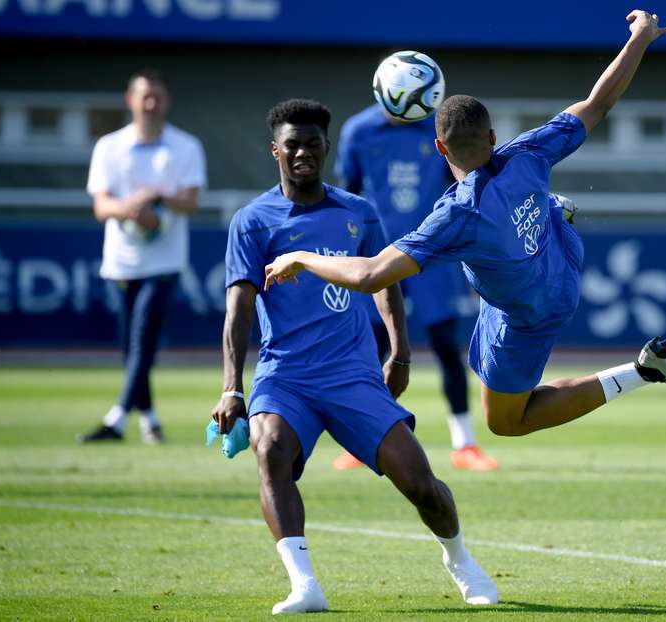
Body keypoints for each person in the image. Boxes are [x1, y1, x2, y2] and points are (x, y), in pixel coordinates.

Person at [263, 11, 666, 440]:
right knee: (503, 246)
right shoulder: (527, 152)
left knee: (505, 422)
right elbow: (598, 103)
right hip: (557, 260)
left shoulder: (456, 215)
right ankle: (549, 211)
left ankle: (644, 369)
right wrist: (640, 38)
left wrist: (300, 256)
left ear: (439, 149)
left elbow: (370, 276)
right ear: (494, 136)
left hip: (528, 312)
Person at [211, 99, 498, 614]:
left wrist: (401, 354)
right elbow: (238, 309)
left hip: (353, 375)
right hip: (286, 376)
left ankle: (460, 560)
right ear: (275, 150)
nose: (303, 152)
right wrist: (233, 386)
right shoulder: (252, 222)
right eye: (292, 144)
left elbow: (384, 284)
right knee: (270, 448)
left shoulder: (358, 213)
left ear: (327, 148)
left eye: (312, 143)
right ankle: (304, 585)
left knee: (421, 484)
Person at [333, 91, 497, 472]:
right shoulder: (358, 130)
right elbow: (348, 193)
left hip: (433, 253)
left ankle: (465, 444)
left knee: (445, 345)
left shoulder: (438, 128)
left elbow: (462, 182)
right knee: (370, 350)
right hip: (379, 256)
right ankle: (363, 440)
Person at [79, 69, 207, 444]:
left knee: (142, 338)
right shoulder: (109, 146)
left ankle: (117, 418)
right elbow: (101, 206)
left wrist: (158, 199)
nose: (150, 104)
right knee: (132, 345)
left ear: (166, 102)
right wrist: (131, 208)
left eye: (157, 97)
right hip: (120, 260)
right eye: (144, 96)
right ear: (130, 100)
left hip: (164, 262)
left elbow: (191, 201)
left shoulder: (185, 146)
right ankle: (149, 418)